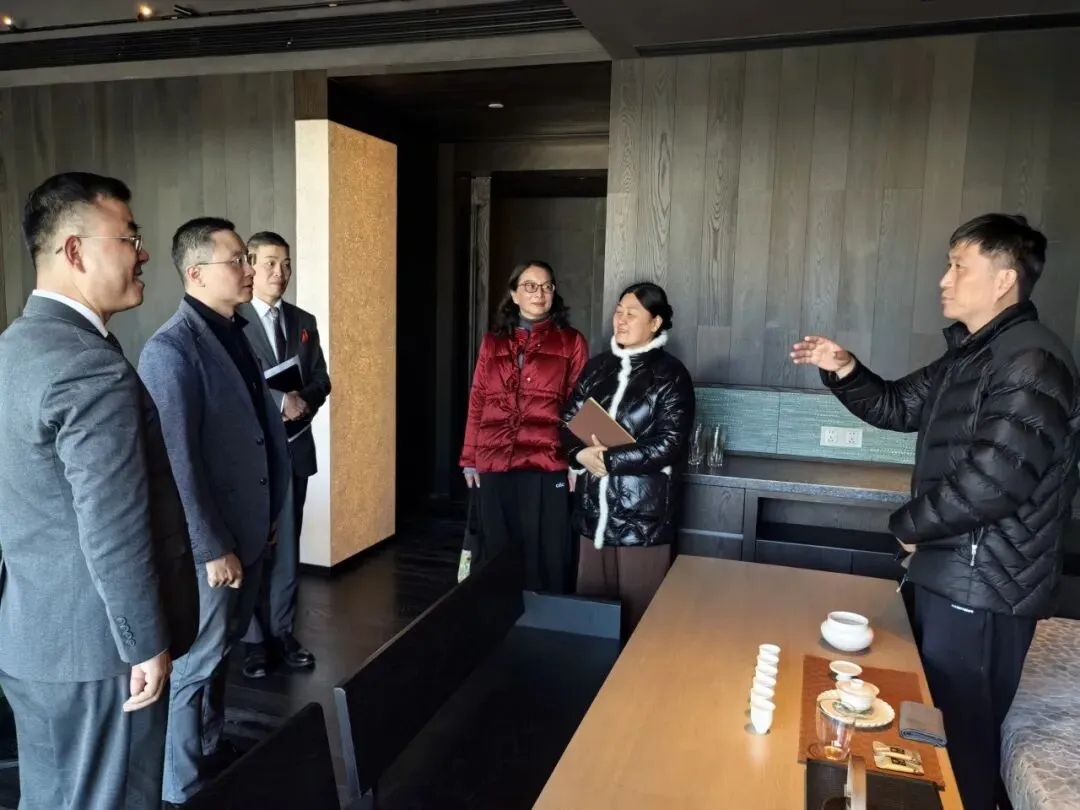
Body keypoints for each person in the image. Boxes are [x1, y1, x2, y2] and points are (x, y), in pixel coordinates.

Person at [791, 213, 1080, 810]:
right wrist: (844, 368)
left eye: (958, 266)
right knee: (930, 723)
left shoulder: (1032, 361)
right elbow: (898, 406)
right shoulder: (971, 355)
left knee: (962, 735)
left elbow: (994, 484)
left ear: (1004, 279)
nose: (945, 280)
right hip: (956, 570)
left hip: (987, 583)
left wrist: (908, 527)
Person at [0, 172, 198, 810]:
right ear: (75, 251)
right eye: (130, 238)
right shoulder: (88, 367)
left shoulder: (13, 349)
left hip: (31, 638)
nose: (144, 253)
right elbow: (113, 527)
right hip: (100, 653)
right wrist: (145, 644)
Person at [139, 217, 290, 807]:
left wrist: (268, 517)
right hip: (215, 545)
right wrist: (211, 547)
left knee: (222, 652)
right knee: (197, 662)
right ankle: (180, 786)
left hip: (250, 530)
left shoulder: (236, 331)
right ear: (197, 273)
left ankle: (208, 747)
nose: (251, 270)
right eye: (238, 261)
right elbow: (177, 463)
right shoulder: (171, 349)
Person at [562, 282, 695, 638]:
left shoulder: (671, 374)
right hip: (594, 514)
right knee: (592, 621)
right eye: (618, 311)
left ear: (655, 322)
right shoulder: (596, 368)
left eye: (631, 313)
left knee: (643, 622)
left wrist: (609, 460)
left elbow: (669, 443)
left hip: (643, 519)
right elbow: (568, 419)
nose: (620, 319)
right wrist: (578, 454)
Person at [460, 260, 589, 593]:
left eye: (547, 286)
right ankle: (498, 614)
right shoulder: (493, 342)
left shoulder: (571, 341)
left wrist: (576, 460)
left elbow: (580, 403)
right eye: (530, 286)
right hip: (495, 459)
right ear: (514, 294)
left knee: (546, 551)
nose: (539, 293)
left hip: (547, 460)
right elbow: (478, 398)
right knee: (497, 549)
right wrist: (470, 458)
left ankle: (546, 615)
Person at [237, 230, 330, 679]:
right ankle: (254, 640)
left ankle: (282, 631)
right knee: (254, 548)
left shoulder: (303, 320)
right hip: (249, 458)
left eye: (286, 263)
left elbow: (322, 380)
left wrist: (302, 400)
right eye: (271, 263)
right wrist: (279, 402)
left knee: (289, 547)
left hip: (294, 450)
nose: (281, 272)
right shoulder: (232, 320)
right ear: (250, 264)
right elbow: (233, 388)